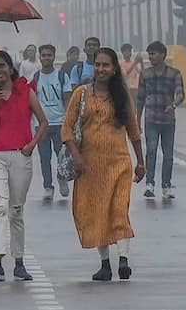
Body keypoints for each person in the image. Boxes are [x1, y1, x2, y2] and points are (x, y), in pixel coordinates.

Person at [61, 47, 145, 282]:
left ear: (114, 68)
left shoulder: (122, 95)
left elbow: (134, 130)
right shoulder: (81, 94)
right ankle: (105, 265)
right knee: (97, 213)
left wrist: (141, 161)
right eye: (97, 65)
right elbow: (66, 129)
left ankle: (124, 260)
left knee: (119, 210)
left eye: (106, 65)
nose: (101, 69)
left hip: (119, 163)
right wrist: (76, 155)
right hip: (89, 167)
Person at [0, 50, 47, 282]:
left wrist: (31, 145)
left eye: (2, 66)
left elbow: (43, 122)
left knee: (16, 210)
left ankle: (19, 262)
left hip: (20, 155)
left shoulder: (24, 90)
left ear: (10, 67)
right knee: (0, 205)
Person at [137, 41, 185, 200]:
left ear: (163, 55)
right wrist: (137, 119)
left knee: (168, 154)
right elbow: (140, 98)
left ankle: (166, 185)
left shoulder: (174, 74)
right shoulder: (145, 74)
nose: (151, 57)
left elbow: (180, 93)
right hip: (151, 118)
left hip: (168, 120)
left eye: (154, 54)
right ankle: (149, 184)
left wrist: (173, 105)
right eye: (149, 54)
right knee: (150, 151)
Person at [29, 44, 72, 201]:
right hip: (42, 125)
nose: (46, 58)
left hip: (59, 123)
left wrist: (68, 120)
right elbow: (31, 101)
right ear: (40, 57)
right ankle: (48, 186)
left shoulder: (62, 76)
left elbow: (67, 99)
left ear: (54, 57)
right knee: (44, 157)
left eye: (49, 55)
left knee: (62, 156)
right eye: (44, 55)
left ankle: (62, 178)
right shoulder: (36, 78)